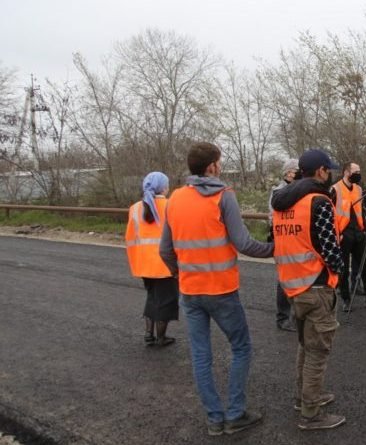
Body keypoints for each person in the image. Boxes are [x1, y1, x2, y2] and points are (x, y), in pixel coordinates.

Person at [159, 141, 274, 436]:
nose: (220, 166)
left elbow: (165, 250)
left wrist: (178, 274)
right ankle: (235, 413)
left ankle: (214, 419)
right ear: (212, 166)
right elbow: (244, 243)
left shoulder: (175, 198)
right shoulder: (224, 196)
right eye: (219, 161)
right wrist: (277, 249)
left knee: (201, 356)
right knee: (242, 347)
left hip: (190, 291)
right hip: (221, 290)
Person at [270, 148, 346, 431]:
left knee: (305, 345)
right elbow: (330, 248)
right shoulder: (318, 202)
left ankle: (304, 397)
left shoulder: (282, 203)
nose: (331, 175)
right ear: (321, 171)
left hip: (292, 284)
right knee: (318, 351)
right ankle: (311, 413)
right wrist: (338, 270)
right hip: (316, 285)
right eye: (329, 170)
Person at [125, 171, 179, 347]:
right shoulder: (171, 205)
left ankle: (149, 333)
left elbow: (130, 238)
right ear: (163, 187)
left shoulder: (135, 208)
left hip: (145, 264)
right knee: (167, 301)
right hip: (166, 264)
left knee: (152, 297)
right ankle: (161, 337)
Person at [331, 162, 366, 310]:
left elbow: (363, 208)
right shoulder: (335, 189)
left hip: (358, 232)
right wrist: (337, 234)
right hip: (343, 233)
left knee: (365, 266)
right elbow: (331, 214)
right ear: (346, 172)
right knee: (343, 268)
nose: (358, 174)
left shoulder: (359, 189)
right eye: (356, 171)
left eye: (359, 171)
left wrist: (363, 230)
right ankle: (346, 299)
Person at [269, 158, 299, 331]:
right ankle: (282, 317)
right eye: (295, 170)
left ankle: (296, 314)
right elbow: (272, 218)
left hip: (295, 240)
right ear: (288, 173)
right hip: (282, 240)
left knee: (296, 278)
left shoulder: (298, 189)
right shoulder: (278, 191)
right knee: (283, 280)